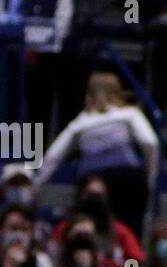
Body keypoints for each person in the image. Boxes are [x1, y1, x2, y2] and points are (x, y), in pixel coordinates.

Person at [33, 71, 158, 236]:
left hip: (92, 181)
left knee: (93, 230)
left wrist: (36, 184)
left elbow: (53, 156)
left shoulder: (81, 122)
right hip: (129, 180)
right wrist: (150, 176)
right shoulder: (130, 114)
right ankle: (131, 262)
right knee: (131, 231)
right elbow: (150, 142)